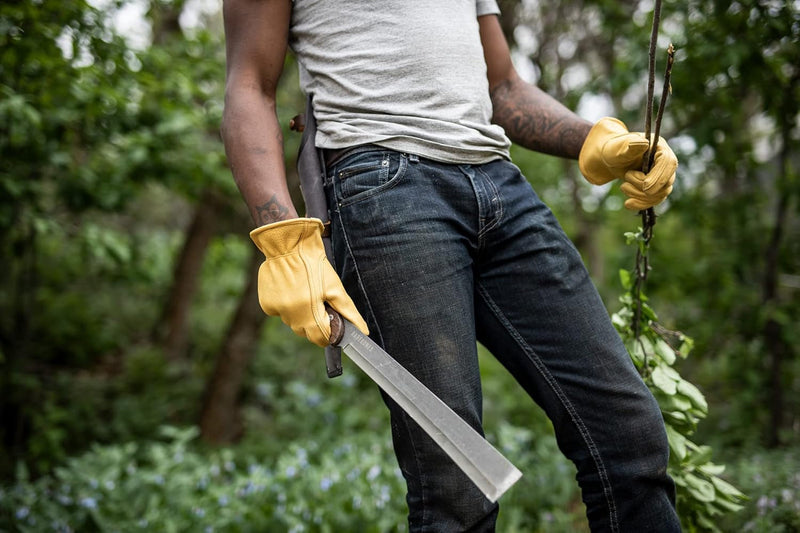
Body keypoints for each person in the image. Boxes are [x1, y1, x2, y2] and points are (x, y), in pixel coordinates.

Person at [220, 1, 681, 531]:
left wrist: (599, 140)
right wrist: (282, 239)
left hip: (499, 182)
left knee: (629, 437)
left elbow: (502, 87)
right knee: (457, 485)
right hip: (385, 189)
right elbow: (249, 85)